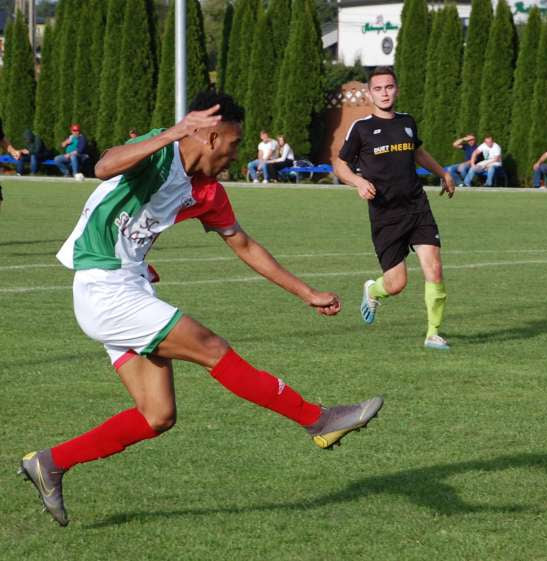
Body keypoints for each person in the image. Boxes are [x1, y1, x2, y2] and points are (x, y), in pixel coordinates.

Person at [18, 90, 384, 527]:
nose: (235, 153)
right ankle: (317, 420)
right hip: (103, 288)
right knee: (211, 346)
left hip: (126, 286)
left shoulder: (208, 191)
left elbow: (243, 243)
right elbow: (103, 166)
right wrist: (171, 132)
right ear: (210, 136)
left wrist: (306, 293)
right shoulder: (161, 154)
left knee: (157, 415)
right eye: (232, 142)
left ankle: (50, 463)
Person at [333, 66, 455, 350]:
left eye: (389, 87)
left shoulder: (407, 122)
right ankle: (373, 290)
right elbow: (340, 165)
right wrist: (358, 181)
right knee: (397, 283)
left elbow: (418, 152)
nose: (384, 93)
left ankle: (433, 334)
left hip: (417, 205)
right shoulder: (361, 128)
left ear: (396, 89)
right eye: (378, 88)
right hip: (385, 213)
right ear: (369, 93)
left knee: (434, 268)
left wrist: (443, 172)